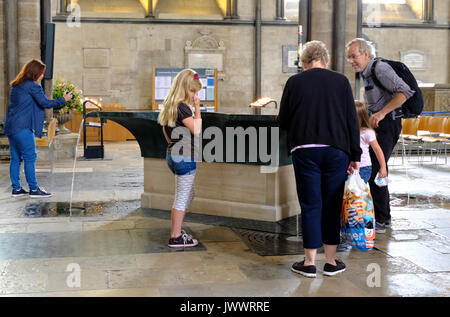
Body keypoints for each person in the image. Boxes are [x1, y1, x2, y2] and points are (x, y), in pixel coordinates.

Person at [278, 41, 362, 278]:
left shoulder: (295, 82)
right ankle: (331, 261)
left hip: (305, 150)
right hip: (337, 151)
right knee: (332, 205)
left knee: (310, 205)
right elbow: (351, 122)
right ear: (325, 61)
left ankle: (309, 263)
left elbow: (283, 120)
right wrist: (355, 155)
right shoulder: (341, 81)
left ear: (304, 61)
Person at [346, 38, 415, 233]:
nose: (351, 60)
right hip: (379, 123)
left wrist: (382, 113)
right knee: (372, 166)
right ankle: (378, 214)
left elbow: (405, 92)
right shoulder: (367, 74)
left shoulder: (380, 69)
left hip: (389, 123)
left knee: (377, 167)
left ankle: (384, 219)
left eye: (354, 56)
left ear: (366, 53)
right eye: (348, 57)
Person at [4, 59, 72, 198]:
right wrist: (64, 99)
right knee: (30, 157)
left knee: (16, 158)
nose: (42, 76)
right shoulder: (33, 86)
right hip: (22, 127)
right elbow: (45, 103)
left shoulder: (17, 85)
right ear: (35, 73)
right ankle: (34, 189)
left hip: (11, 126)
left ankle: (16, 189)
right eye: (41, 73)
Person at [157, 69, 202, 248]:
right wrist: (197, 108)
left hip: (173, 155)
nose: (195, 95)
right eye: (193, 91)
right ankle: (175, 236)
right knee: (182, 197)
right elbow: (196, 130)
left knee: (189, 194)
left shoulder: (170, 104)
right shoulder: (183, 106)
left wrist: (173, 146)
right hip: (184, 156)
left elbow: (164, 129)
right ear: (184, 88)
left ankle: (178, 231)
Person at [355, 101, 387, 184]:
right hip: (349, 167)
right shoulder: (347, 131)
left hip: (363, 168)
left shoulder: (367, 132)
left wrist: (383, 167)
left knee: (358, 193)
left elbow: (377, 150)